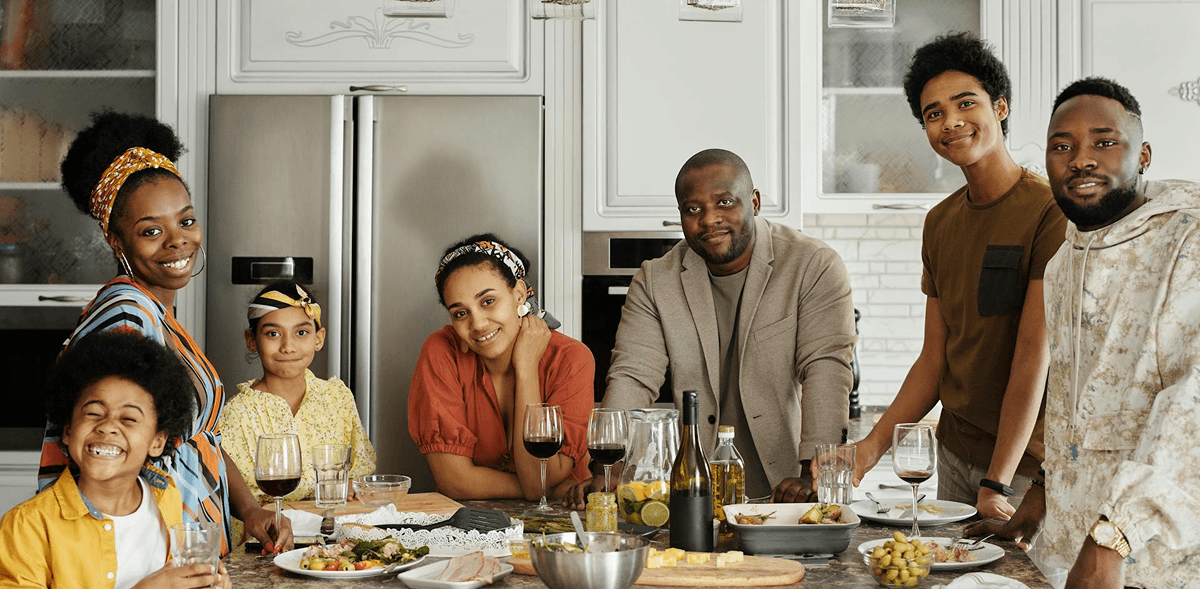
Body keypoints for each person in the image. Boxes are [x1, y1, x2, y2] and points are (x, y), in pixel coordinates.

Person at [966, 77, 1200, 589]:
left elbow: (1193, 409)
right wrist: (1044, 494)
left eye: (1104, 142)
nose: (1081, 159)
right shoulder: (1064, 262)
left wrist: (1112, 539)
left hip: (1160, 563)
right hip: (1073, 552)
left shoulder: (1189, 243)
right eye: (1062, 146)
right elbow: (1080, 406)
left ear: (1144, 155)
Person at [37, 111, 292, 555]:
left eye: (186, 221)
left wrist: (249, 509)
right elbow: (108, 454)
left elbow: (196, 438)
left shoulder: (157, 312)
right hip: (149, 557)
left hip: (191, 548)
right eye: (151, 231)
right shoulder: (126, 318)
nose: (178, 241)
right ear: (117, 242)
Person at [850, 33, 1066, 521]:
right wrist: (870, 448)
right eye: (933, 114)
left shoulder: (1049, 212)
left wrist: (997, 482)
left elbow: (1034, 356)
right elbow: (934, 358)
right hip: (954, 456)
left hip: (1025, 470)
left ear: (1001, 107)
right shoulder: (941, 223)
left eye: (966, 103)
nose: (950, 122)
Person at [565, 147, 856, 509]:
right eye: (693, 209)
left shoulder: (812, 265)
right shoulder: (656, 280)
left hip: (785, 487)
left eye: (724, 202)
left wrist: (813, 471)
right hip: (690, 489)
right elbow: (633, 376)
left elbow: (825, 369)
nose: (708, 219)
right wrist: (609, 466)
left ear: (754, 202)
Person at [1, 331, 231, 589]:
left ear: (157, 441)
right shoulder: (27, 526)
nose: (107, 427)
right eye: (94, 413)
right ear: (68, 430)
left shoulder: (167, 496)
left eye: (128, 419)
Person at [408, 234, 594, 500]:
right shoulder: (441, 352)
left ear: (518, 294)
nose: (478, 324)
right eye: (461, 313)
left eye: (488, 301)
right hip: (472, 528)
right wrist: (548, 491)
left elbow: (538, 477)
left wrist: (526, 368)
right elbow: (455, 482)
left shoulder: (571, 358)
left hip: (566, 525)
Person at [219, 281, 376, 540]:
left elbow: (359, 474)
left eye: (301, 333)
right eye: (273, 334)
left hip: (333, 537)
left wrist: (351, 486)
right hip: (266, 543)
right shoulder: (236, 413)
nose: (288, 346)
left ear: (319, 338)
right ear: (251, 340)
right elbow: (237, 498)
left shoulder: (337, 398)